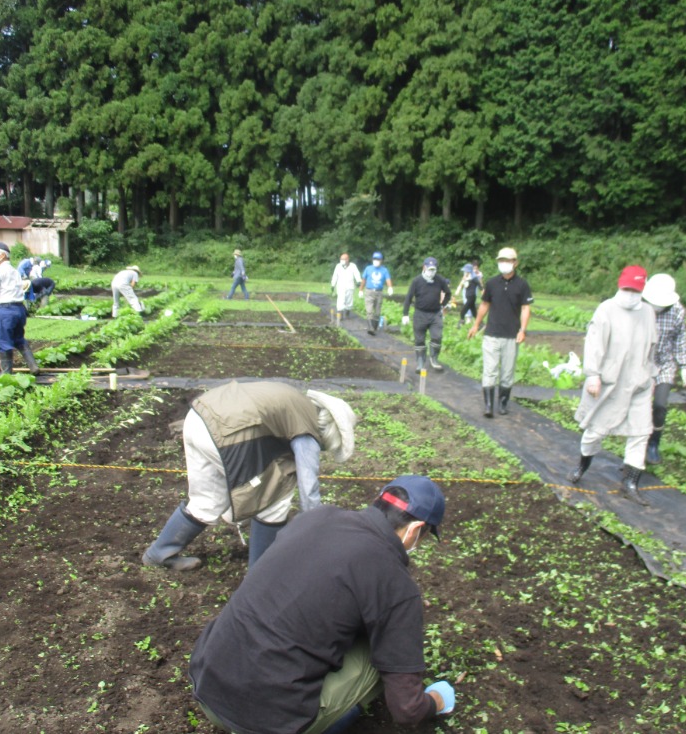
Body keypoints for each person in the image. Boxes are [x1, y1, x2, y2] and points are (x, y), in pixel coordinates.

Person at [189, 475, 456, 734]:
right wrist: (436, 701)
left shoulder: (316, 517)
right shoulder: (395, 583)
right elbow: (406, 710)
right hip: (267, 722)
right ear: (416, 530)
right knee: (382, 657)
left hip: (207, 685)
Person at [142, 380, 357, 571]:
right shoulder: (307, 427)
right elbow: (308, 484)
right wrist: (316, 528)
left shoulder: (294, 400)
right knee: (275, 497)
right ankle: (260, 574)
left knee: (207, 499)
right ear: (329, 432)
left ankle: (159, 554)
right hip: (228, 433)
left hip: (199, 418)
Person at [569, 266, 657, 505]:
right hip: (610, 383)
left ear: (642, 290)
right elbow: (594, 343)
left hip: (638, 382)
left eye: (635, 290)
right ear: (620, 286)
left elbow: (651, 348)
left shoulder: (648, 312)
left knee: (641, 432)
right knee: (595, 432)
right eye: (627, 289)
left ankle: (630, 483)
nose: (630, 294)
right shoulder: (606, 309)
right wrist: (593, 375)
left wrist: (652, 377)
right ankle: (582, 465)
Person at [467, 247, 534, 418]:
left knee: (507, 372)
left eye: (508, 260)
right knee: (489, 371)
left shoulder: (522, 285)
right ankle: (488, 406)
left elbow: (526, 308)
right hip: (491, 334)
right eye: (501, 260)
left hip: (511, 336)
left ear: (515, 263)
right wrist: (475, 325)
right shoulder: (491, 283)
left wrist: (523, 330)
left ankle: (503, 404)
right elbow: (484, 305)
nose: (504, 264)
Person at [642, 274, 686, 464]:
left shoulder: (677, 311)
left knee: (660, 405)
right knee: (641, 404)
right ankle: (639, 442)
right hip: (643, 362)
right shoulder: (641, 307)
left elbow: (680, 339)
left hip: (664, 363)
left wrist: (685, 365)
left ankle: (654, 443)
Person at [0, 242, 39, 375]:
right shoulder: (14, 271)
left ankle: (6, 374)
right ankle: (33, 366)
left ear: (2, 255)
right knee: (18, 338)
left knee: (4, 341)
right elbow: (13, 291)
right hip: (19, 309)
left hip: (6, 311)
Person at [402, 257, 451, 373]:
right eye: (429, 269)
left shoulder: (440, 280)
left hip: (435, 314)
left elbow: (448, 293)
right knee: (419, 339)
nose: (431, 272)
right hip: (420, 314)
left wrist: (442, 305)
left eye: (433, 269)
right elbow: (409, 297)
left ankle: (434, 358)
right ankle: (420, 362)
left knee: (437, 336)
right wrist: (405, 314)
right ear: (424, 267)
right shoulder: (417, 281)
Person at [359, 251, 393, 335]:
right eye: (374, 259)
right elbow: (364, 280)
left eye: (378, 259)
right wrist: (360, 290)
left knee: (377, 312)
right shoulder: (368, 268)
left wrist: (390, 287)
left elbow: (388, 279)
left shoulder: (384, 270)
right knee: (369, 310)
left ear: (381, 260)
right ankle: (371, 328)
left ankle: (374, 327)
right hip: (369, 291)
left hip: (379, 292)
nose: (376, 261)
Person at [330, 253, 361, 319]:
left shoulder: (353, 266)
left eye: (343, 259)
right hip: (341, 286)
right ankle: (340, 315)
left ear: (347, 259)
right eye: (341, 259)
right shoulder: (338, 266)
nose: (342, 260)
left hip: (350, 286)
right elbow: (335, 276)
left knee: (349, 301)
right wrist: (333, 285)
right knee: (340, 300)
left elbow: (357, 273)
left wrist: (358, 281)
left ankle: (347, 314)